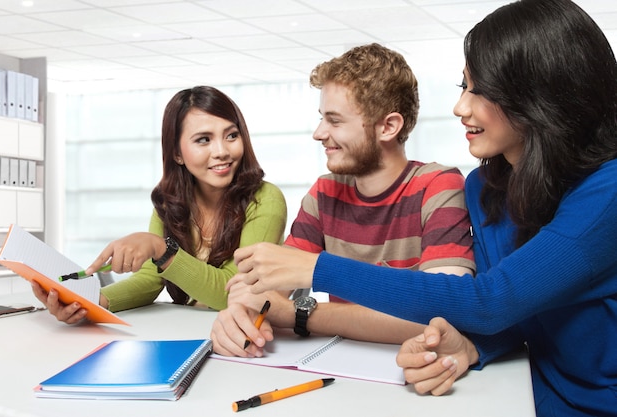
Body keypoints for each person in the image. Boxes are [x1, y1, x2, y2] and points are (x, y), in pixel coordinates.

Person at [229, 1, 617, 416]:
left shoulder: (607, 193)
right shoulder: (486, 187)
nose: (460, 107)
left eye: (480, 90)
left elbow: (491, 301)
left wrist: (313, 270)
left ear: (540, 94)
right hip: (527, 392)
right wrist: (470, 347)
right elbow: (522, 313)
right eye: (463, 86)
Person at [211, 43, 475, 357]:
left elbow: (443, 316)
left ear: (388, 127)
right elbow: (265, 293)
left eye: (335, 121)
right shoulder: (324, 193)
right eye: (322, 118)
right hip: (337, 364)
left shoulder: (438, 186)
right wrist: (237, 317)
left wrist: (301, 314)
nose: (319, 133)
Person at [32, 86, 287, 324]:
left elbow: (233, 293)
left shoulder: (265, 199)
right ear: (177, 153)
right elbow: (149, 280)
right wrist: (92, 303)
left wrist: (161, 249)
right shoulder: (171, 202)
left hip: (245, 338)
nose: (222, 151)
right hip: (189, 331)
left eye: (231, 135)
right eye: (203, 140)